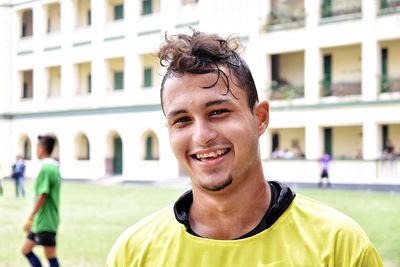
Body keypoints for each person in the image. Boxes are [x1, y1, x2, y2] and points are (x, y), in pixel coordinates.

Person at [107, 30, 383, 266]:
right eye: (182, 120)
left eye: (217, 112)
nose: (202, 136)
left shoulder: (340, 246)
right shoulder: (133, 253)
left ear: (260, 118)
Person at [22, 135, 61, 267]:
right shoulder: (53, 167)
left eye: (37, 147)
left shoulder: (47, 169)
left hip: (45, 221)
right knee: (26, 250)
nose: (36, 151)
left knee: (50, 256)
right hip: (43, 221)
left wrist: (30, 218)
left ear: (42, 149)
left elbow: (42, 196)